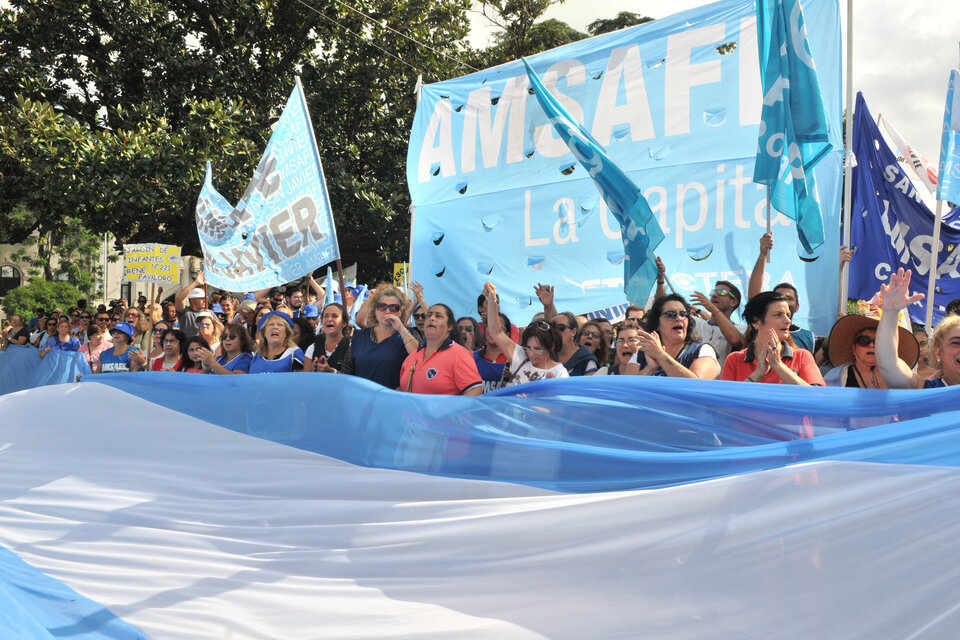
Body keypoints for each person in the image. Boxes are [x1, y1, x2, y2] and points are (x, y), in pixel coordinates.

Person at [875, 268, 960, 389]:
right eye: (956, 342)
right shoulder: (925, 390)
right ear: (938, 351)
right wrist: (891, 313)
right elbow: (889, 365)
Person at [721, 291, 824, 385]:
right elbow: (724, 402)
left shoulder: (802, 356)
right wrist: (756, 375)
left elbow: (817, 396)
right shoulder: (734, 360)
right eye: (778, 315)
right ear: (756, 321)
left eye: (788, 315)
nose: (788, 321)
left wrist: (778, 365)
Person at [484, 281, 569, 386]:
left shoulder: (560, 373)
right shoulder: (521, 357)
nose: (531, 353)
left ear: (551, 346)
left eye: (537, 348)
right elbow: (496, 332)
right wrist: (492, 300)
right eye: (528, 347)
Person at [342, 284, 419, 387]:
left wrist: (400, 328)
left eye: (393, 307)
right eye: (382, 306)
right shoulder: (360, 336)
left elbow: (419, 357)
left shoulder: (409, 335)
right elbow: (347, 372)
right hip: (361, 398)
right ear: (375, 309)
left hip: (392, 399)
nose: (387, 311)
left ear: (400, 311)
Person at [625, 294, 719, 379]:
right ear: (657, 323)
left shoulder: (702, 350)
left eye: (683, 314)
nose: (678, 318)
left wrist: (661, 356)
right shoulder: (643, 353)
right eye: (670, 315)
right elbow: (626, 390)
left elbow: (696, 385)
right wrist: (650, 368)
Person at [749, 232, 814, 351]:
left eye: (789, 298)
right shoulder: (762, 326)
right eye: (779, 297)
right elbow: (753, 300)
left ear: (797, 306)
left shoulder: (808, 338)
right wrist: (763, 254)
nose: (784, 300)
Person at [399, 304, 482, 395]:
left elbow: (475, 391)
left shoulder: (459, 354)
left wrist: (452, 409)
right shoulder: (412, 356)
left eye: (438, 316)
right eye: (429, 315)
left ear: (449, 326)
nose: (432, 318)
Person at [825, 313, 918, 388]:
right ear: (854, 348)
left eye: (879, 341)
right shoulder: (836, 378)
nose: (871, 345)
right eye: (863, 341)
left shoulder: (900, 377)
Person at [689, 280, 745, 368]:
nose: (715, 295)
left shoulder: (740, 329)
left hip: (722, 381)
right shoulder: (695, 323)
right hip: (694, 380)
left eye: (722, 292)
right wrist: (660, 281)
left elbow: (736, 341)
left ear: (733, 302)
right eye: (714, 292)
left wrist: (713, 309)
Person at [306, 303, 352, 373]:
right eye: (326, 316)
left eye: (335, 316)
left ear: (344, 323)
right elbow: (306, 379)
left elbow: (354, 378)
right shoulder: (312, 348)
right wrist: (313, 370)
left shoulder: (351, 346)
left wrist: (331, 371)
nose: (329, 319)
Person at [473, 312, 512, 393]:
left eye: (499, 328)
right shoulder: (473, 358)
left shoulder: (515, 360)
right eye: (490, 326)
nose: (493, 331)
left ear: (507, 334)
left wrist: (515, 377)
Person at [552, 311, 599, 375]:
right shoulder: (547, 356)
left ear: (573, 332)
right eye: (552, 328)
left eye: (561, 328)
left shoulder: (586, 360)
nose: (556, 332)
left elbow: (590, 384)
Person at [174, 271, 206, 337]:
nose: (204, 300)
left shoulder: (208, 312)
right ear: (192, 300)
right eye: (201, 298)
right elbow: (179, 298)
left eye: (204, 298)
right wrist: (196, 283)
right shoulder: (184, 312)